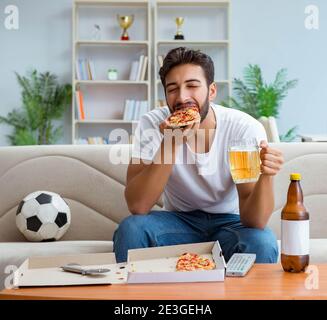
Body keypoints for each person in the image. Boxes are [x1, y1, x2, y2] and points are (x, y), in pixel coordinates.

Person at [113, 47, 284, 263]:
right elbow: (138, 205)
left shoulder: (242, 129)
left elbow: (255, 221)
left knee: (262, 240)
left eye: (192, 86)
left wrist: (266, 175)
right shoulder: (151, 124)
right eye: (172, 89)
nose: (182, 97)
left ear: (212, 91)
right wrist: (171, 142)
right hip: (177, 223)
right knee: (131, 229)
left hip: (230, 224)